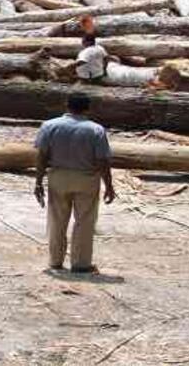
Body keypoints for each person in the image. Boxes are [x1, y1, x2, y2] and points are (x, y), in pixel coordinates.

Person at [33, 93, 116, 273]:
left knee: (57, 220)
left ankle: (55, 261)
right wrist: (109, 185)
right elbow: (102, 161)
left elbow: (42, 156)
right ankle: (80, 263)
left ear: (66, 105)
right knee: (85, 221)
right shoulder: (96, 130)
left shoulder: (49, 125)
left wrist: (38, 182)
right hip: (86, 178)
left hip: (58, 176)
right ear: (87, 108)